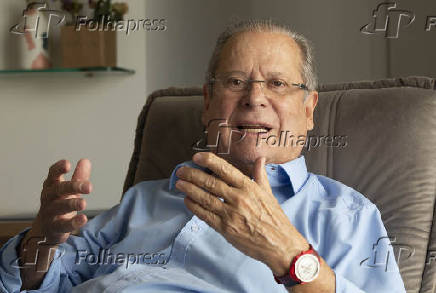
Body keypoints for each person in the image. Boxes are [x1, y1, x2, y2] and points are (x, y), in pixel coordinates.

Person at [0, 19, 406, 293]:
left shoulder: (348, 215)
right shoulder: (145, 199)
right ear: (209, 103)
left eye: (278, 83)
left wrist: (289, 254)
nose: (254, 98)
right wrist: (41, 240)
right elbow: (45, 280)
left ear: (309, 110)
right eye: (235, 82)